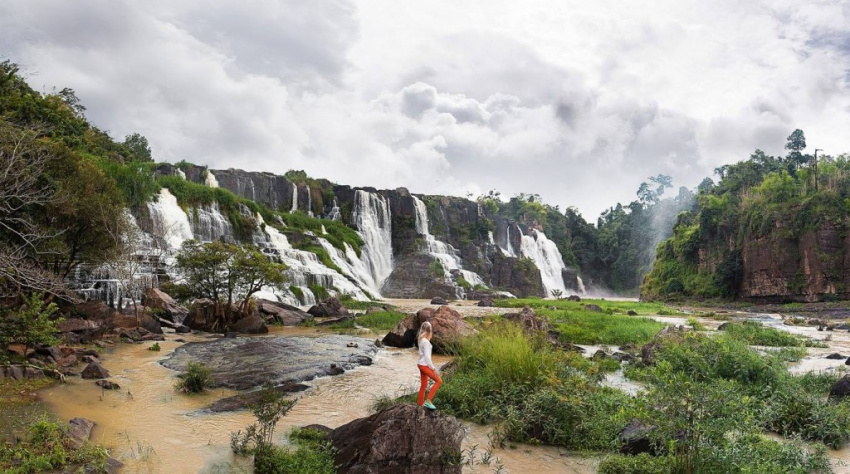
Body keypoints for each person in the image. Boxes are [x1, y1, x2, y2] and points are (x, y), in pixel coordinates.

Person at [416, 321, 442, 409]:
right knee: (439, 381)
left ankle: (420, 403)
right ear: (429, 331)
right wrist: (433, 368)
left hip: (420, 364)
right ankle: (428, 401)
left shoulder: (421, 339)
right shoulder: (426, 342)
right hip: (424, 365)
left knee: (424, 384)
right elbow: (427, 358)